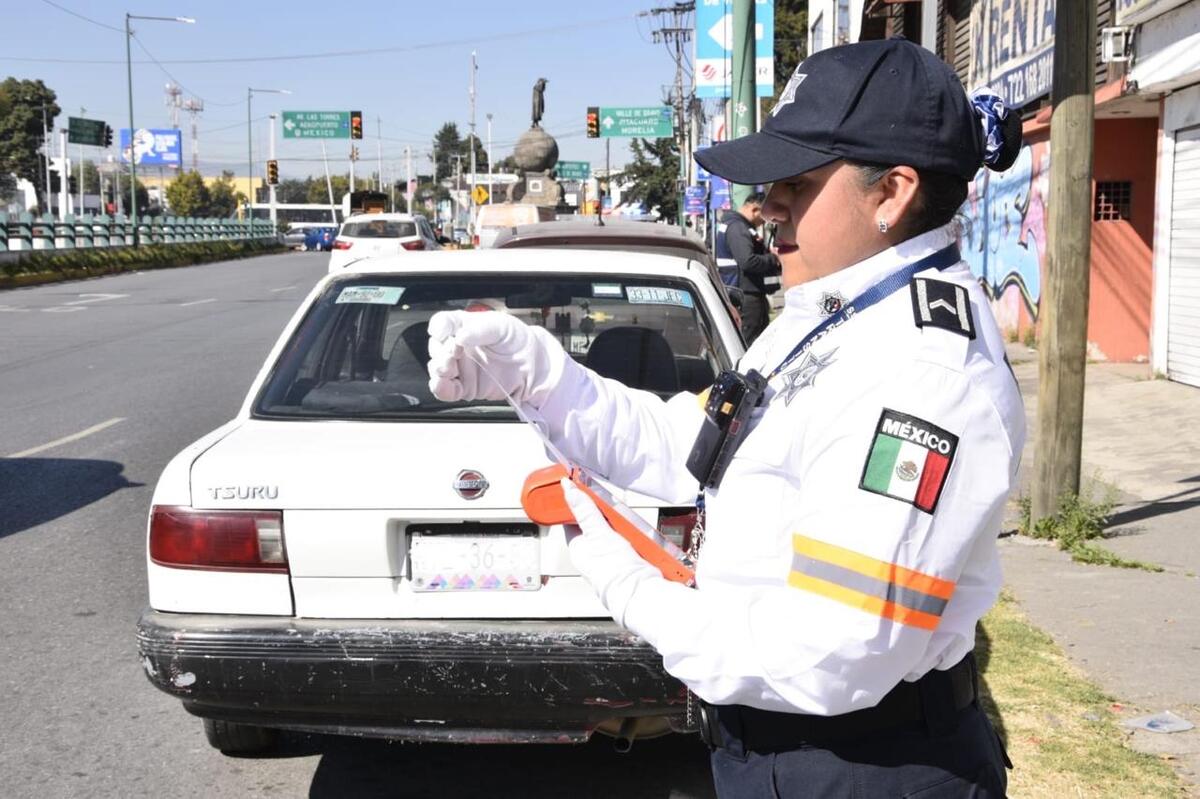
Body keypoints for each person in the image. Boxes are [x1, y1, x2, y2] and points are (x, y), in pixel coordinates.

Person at [427, 37, 1024, 798]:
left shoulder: (922, 372)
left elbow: (833, 649)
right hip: (791, 750)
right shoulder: (833, 311)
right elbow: (693, 445)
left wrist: (637, 594)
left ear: (893, 193)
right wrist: (539, 375)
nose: (767, 205)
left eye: (797, 182)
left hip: (862, 765)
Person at [714, 192, 781, 344]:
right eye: (763, 217)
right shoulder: (738, 227)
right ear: (755, 210)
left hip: (743, 292)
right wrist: (773, 258)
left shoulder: (735, 225)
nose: (763, 223)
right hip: (746, 295)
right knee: (750, 341)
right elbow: (747, 261)